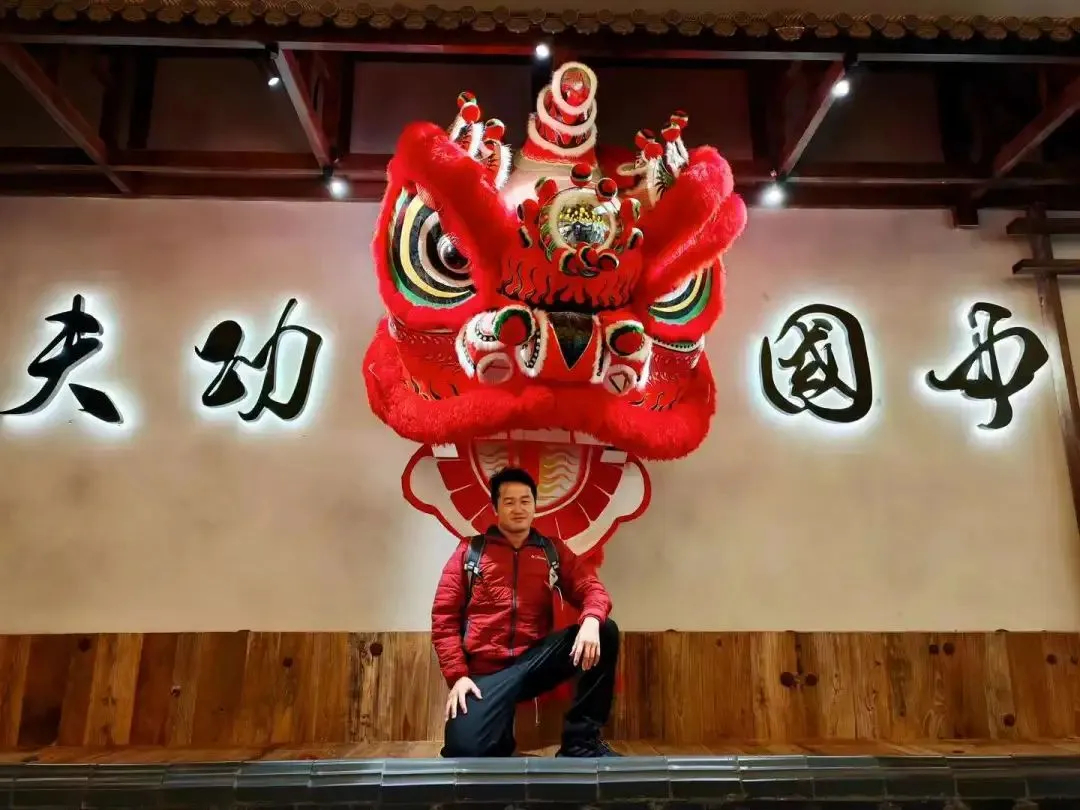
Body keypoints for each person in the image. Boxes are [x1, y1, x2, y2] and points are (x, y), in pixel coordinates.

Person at [430, 466, 621, 757]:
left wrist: (592, 620)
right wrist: (458, 677)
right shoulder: (470, 551)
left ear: (534, 506)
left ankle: (581, 742)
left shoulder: (551, 551)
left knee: (605, 631)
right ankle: (497, 738)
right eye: (509, 502)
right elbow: (444, 618)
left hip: (535, 663)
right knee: (464, 752)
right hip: (486, 674)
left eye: (525, 500)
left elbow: (591, 588)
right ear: (496, 508)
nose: (518, 509)